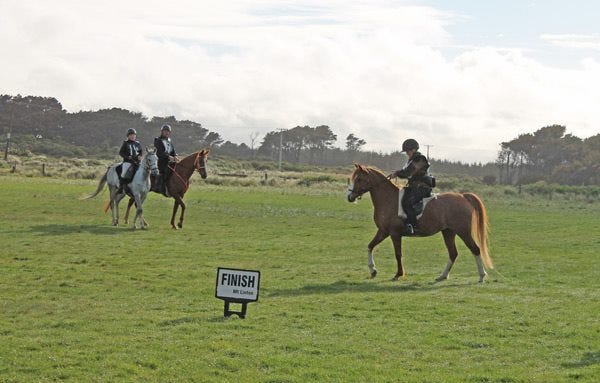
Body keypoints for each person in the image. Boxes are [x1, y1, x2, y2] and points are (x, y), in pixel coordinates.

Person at [388, 138, 435, 235]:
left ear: (413, 150)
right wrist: (396, 174)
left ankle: (413, 226)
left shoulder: (419, 159)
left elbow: (408, 173)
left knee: (407, 202)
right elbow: (405, 172)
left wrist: (397, 173)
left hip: (422, 188)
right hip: (414, 187)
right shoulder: (412, 160)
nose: (407, 153)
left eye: (407, 151)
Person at [153, 124, 177, 194]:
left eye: (168, 131)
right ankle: (159, 187)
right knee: (164, 171)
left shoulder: (169, 140)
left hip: (169, 161)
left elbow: (172, 150)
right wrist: (168, 157)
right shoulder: (158, 140)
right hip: (161, 161)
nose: (167, 132)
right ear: (162, 132)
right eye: (165, 131)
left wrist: (175, 156)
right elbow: (159, 152)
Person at [118, 128, 143, 193]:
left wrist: (140, 156)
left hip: (137, 162)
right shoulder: (125, 143)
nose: (132, 136)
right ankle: (120, 188)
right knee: (123, 174)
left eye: (134, 135)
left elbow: (140, 151)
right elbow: (121, 153)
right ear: (128, 136)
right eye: (131, 135)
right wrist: (127, 157)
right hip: (128, 162)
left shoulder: (137, 143)